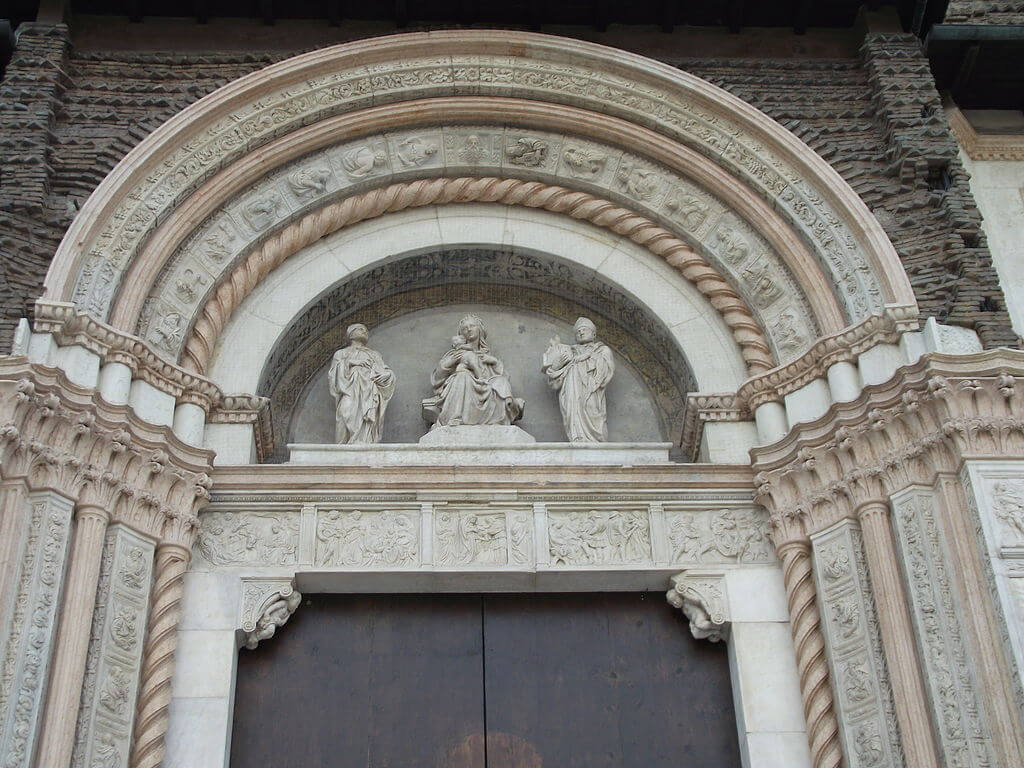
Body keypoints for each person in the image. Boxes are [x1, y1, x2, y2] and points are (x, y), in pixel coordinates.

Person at [422, 314, 524, 427]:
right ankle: (457, 417)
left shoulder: (486, 356)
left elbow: (503, 376)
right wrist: (450, 362)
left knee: (501, 382)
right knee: (463, 376)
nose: (469, 329)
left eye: (472, 326)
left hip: (485, 385)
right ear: (461, 334)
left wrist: (493, 361)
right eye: (465, 328)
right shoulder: (456, 353)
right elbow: (437, 378)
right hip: (465, 386)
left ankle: (498, 420)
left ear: (479, 329)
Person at [542, 316, 615, 442]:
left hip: (591, 389)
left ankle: (596, 439)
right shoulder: (570, 351)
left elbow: (607, 370)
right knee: (573, 410)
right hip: (571, 389)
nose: (581, 332)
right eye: (578, 331)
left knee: (591, 409)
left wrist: (586, 357)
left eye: (584, 330)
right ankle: (578, 437)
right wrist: (557, 364)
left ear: (594, 334)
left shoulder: (602, 350)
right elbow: (554, 378)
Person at [328, 323, 396, 443]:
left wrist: (388, 375)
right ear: (351, 334)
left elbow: (385, 370)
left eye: (366, 330)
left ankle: (364, 442)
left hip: (368, 393)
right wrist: (351, 362)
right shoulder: (341, 354)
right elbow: (333, 375)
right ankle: (344, 445)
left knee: (367, 419)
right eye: (360, 329)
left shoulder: (374, 354)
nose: (365, 332)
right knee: (345, 412)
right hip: (348, 391)